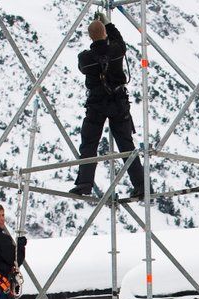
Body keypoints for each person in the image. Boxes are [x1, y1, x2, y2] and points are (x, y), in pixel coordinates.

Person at [69, 13, 146, 199]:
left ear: (90, 37)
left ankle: (84, 183)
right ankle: (141, 185)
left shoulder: (85, 59)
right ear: (105, 33)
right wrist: (108, 24)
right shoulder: (116, 50)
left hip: (96, 104)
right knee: (126, 144)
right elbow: (119, 41)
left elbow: (83, 68)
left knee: (89, 143)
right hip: (118, 102)